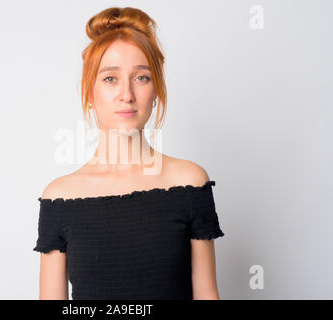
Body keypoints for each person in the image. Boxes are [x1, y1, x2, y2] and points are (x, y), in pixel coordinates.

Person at [33, 6, 225, 300]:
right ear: (89, 90)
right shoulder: (60, 197)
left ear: (157, 90)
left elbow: (207, 294)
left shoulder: (190, 183)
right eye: (110, 78)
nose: (127, 94)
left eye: (141, 77)